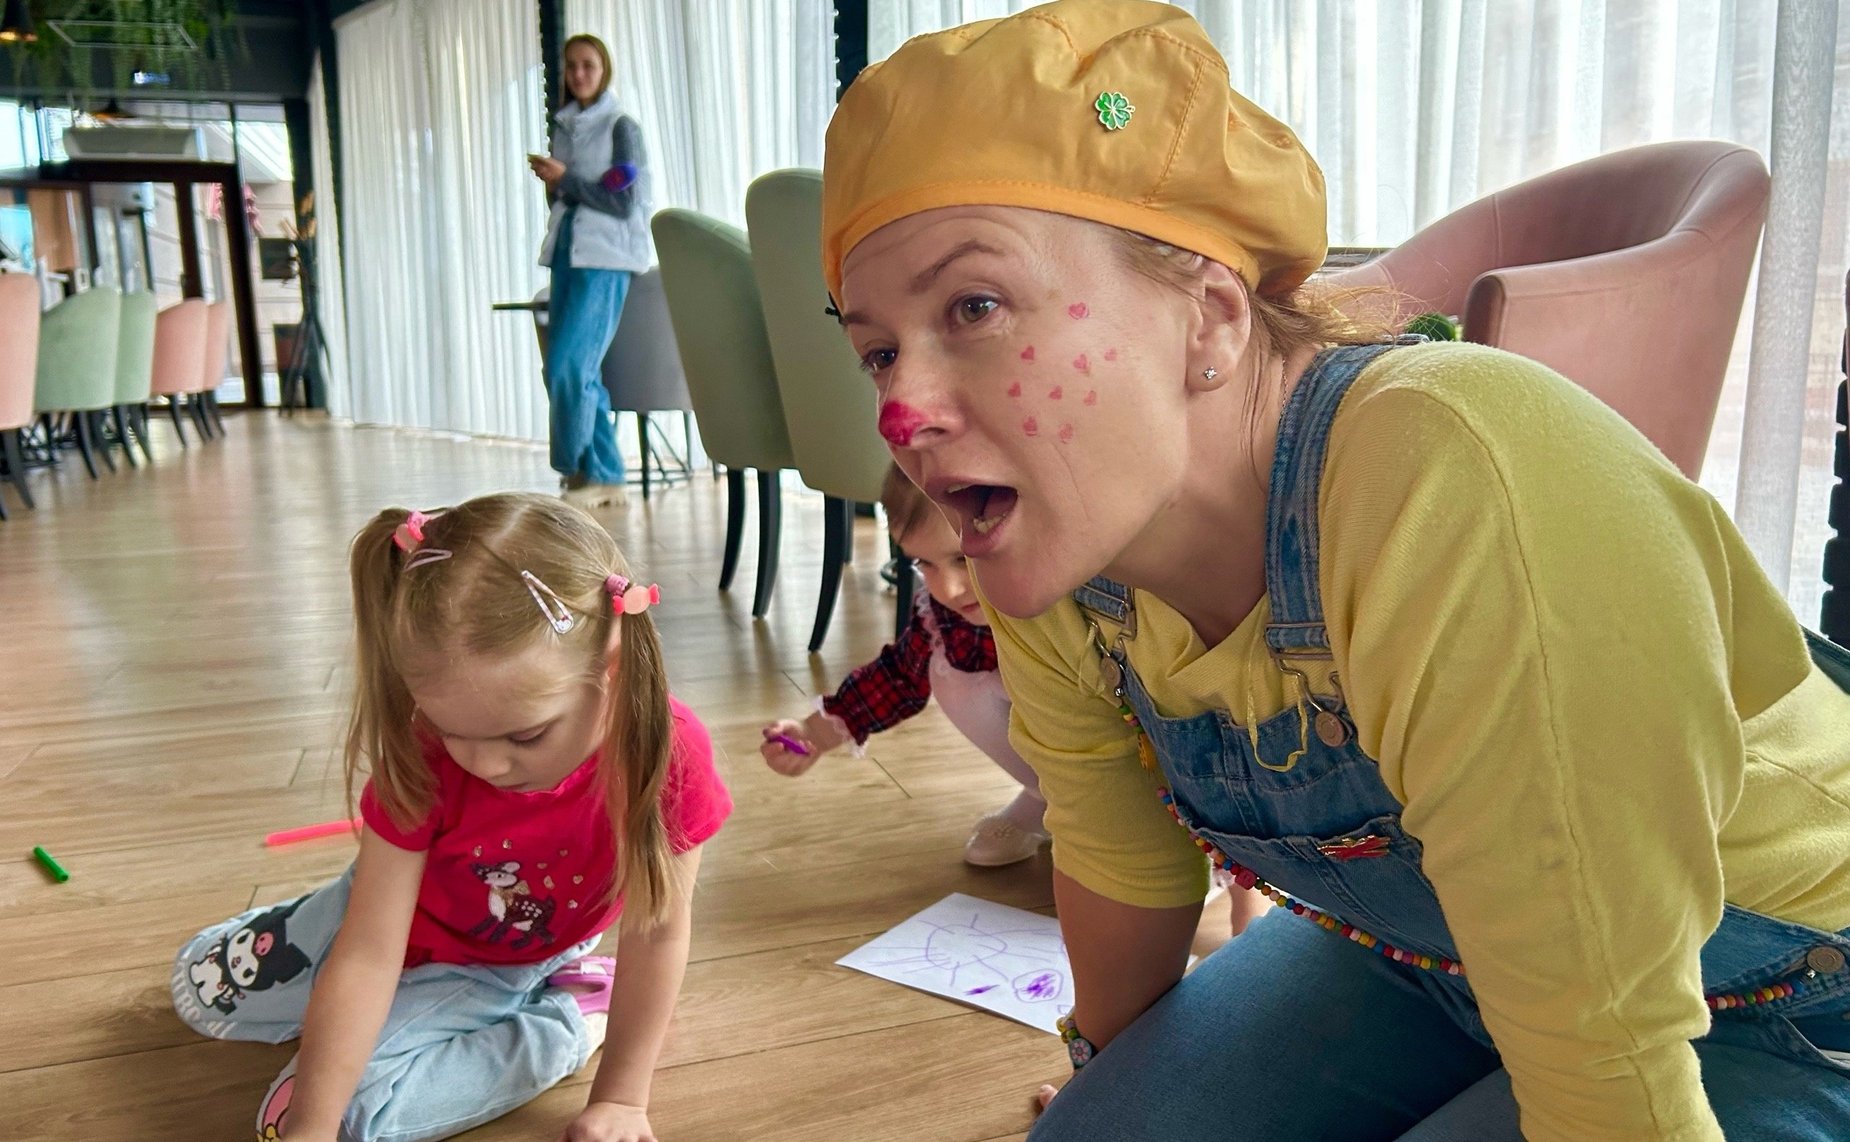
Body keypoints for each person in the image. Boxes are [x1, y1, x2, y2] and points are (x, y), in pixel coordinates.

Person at [818, 2, 1850, 1139]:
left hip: (1784, 994)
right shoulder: (1059, 544)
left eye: (974, 306)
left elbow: (1612, 1081)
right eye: (876, 348)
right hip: (1429, 947)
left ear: (1207, 316)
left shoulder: (1449, 482)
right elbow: (1117, 853)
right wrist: (1110, 1088)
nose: (900, 411)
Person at [170, 493, 730, 1142]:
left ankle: (575, 1010)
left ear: (611, 669)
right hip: (389, 914)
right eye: (450, 730)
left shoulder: (669, 753)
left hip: (503, 952)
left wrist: (623, 1100)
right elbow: (370, 950)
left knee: (356, 1118)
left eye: (522, 737)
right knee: (199, 985)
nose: (485, 766)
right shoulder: (427, 748)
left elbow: (657, 935)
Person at [758, 464, 1050, 866]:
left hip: (1134, 772)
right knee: (947, 672)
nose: (946, 588)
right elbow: (896, 678)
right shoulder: (944, 615)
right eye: (924, 564)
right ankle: (1046, 797)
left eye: (963, 559)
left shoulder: (1074, 599)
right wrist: (815, 733)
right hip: (1058, 764)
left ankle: (1091, 808)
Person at [531, 33, 652, 510]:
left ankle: (579, 465)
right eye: (571, 67)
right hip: (566, 252)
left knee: (569, 365)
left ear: (604, 70)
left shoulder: (623, 127)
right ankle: (602, 472)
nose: (579, 74)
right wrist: (554, 184)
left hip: (604, 258)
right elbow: (572, 195)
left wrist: (567, 180)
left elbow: (622, 199)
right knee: (575, 369)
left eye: (588, 65)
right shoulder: (564, 127)